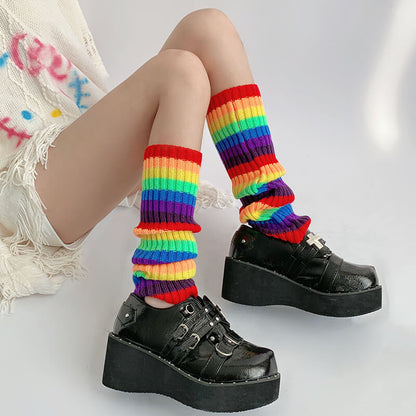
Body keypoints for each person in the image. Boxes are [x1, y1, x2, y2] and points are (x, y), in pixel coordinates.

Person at [0, 1, 382, 412]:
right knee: (180, 74)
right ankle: (161, 298)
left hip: (70, 130)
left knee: (209, 27)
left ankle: (272, 225)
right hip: (21, 180)